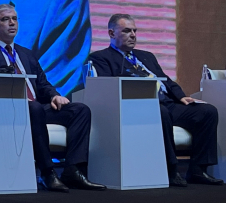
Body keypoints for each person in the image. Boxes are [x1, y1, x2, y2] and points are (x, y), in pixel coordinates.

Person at [0, 4, 105, 192]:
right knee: (34, 108)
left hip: (36, 108)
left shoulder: (26, 53)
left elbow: (42, 83)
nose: (12, 23)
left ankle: (73, 170)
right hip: (5, 108)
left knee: (80, 110)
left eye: (15, 18)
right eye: (5, 19)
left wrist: (55, 95)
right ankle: (48, 172)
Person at [90, 14, 223, 187]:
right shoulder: (101, 58)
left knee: (207, 111)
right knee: (160, 113)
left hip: (166, 102)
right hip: (137, 106)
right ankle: (171, 170)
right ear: (111, 33)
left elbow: (165, 80)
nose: (133, 35)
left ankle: (198, 170)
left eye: (135, 31)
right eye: (127, 31)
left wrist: (182, 96)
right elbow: (107, 89)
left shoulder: (146, 56)